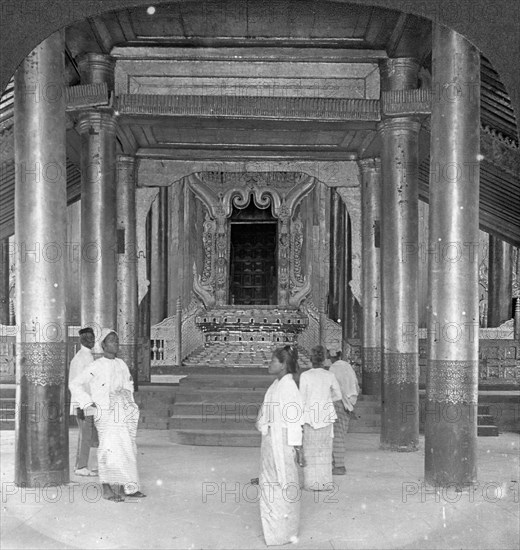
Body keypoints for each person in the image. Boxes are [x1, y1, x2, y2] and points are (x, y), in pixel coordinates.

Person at [69, 328, 145, 502]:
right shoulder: (96, 365)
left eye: (117, 340)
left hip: (122, 410)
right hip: (104, 412)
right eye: (111, 341)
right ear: (103, 345)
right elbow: (75, 384)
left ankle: (130, 487)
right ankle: (107, 488)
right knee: (108, 448)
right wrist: (88, 403)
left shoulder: (121, 364)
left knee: (128, 447)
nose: (115, 344)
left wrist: (125, 395)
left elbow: (129, 385)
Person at [256, 345, 305, 546]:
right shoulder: (276, 385)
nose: (269, 364)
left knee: (282, 484)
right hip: (270, 442)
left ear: (283, 364)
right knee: (270, 485)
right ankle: (274, 530)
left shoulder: (289, 387)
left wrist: (298, 449)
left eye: (273, 360)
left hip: (283, 444)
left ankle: (283, 532)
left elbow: (295, 421)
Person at [299, 344, 342, 491]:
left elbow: (302, 399)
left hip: (310, 417)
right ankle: (324, 483)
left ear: (311, 360)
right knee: (324, 450)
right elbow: (338, 395)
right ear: (324, 360)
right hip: (325, 415)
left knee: (310, 451)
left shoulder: (305, 376)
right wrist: (326, 398)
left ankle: (310, 483)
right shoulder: (329, 375)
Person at [68, 327, 98, 477]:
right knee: (86, 435)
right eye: (87, 338)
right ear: (82, 340)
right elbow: (75, 383)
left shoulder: (86, 356)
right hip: (84, 403)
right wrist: (81, 405)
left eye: (92, 338)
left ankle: (81, 465)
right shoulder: (81, 358)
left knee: (86, 434)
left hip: (88, 402)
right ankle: (81, 466)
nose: (91, 340)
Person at [329, 348, 360, 475]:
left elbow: (333, 389)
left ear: (330, 356)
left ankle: (339, 466)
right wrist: (351, 403)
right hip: (348, 405)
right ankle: (337, 463)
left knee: (336, 436)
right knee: (341, 435)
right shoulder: (348, 367)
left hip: (337, 403)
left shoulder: (332, 369)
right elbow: (356, 387)